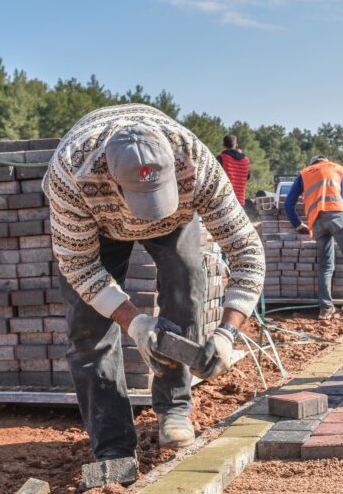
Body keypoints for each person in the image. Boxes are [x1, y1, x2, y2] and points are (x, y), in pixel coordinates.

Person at [43, 104, 265, 460]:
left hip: (177, 220)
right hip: (100, 225)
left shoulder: (196, 164)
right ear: (111, 177)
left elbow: (247, 251)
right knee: (88, 329)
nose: (148, 214)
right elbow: (80, 266)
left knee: (187, 283)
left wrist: (227, 333)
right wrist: (136, 323)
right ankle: (113, 447)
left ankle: (174, 409)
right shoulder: (72, 174)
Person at [283, 156, 343, 319]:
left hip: (316, 221)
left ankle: (325, 308)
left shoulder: (304, 173)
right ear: (326, 160)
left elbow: (288, 204)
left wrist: (298, 224)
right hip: (336, 214)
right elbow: (341, 199)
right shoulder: (337, 168)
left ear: (312, 164)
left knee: (325, 265)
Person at [216, 135, 251, 206]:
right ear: (236, 145)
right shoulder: (246, 160)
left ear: (223, 145)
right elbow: (247, 177)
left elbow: (214, 176)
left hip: (224, 200)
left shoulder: (221, 157)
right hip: (240, 201)